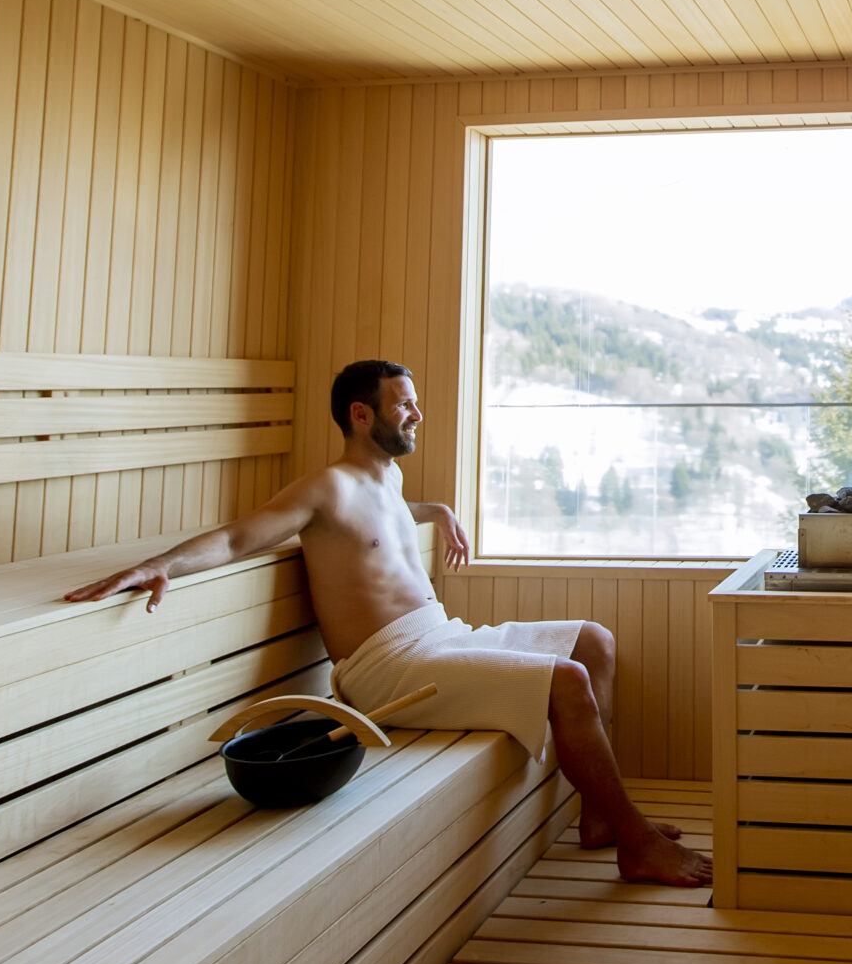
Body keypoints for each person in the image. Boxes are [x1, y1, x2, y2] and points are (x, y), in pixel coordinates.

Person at [65, 358, 711, 887]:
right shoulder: (327, 488)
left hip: (440, 636)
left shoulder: (390, 478)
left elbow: (387, 522)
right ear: (361, 413)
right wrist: (162, 563)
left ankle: (599, 813)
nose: (417, 414)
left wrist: (440, 510)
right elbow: (239, 538)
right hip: (390, 668)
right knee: (568, 681)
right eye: (404, 404)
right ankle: (636, 843)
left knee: (593, 640)